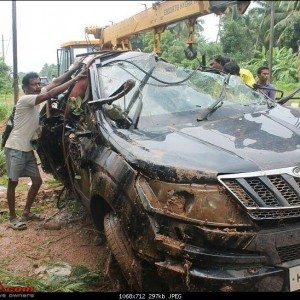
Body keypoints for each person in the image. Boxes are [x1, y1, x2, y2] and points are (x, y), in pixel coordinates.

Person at [4, 59, 87, 230]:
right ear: (25, 88)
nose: (37, 86)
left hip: (27, 149)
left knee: (37, 181)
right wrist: (75, 79)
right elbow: (49, 94)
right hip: (15, 148)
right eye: (33, 84)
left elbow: (56, 82)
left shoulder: (35, 94)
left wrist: (75, 68)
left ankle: (26, 212)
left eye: (38, 83)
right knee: (13, 183)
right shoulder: (25, 100)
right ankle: (13, 218)